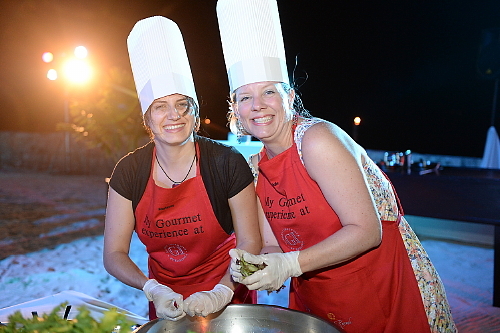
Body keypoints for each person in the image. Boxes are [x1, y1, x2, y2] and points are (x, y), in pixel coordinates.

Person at [216, 0, 456, 332]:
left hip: (382, 284)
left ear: (289, 96)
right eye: (245, 97)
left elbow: (366, 231)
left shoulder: (316, 140)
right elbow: (272, 242)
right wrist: (257, 266)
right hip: (318, 294)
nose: (258, 106)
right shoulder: (256, 168)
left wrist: (289, 264)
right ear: (236, 111)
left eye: (268, 92)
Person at [103, 16, 261, 321]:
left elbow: (251, 242)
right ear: (148, 119)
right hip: (166, 305)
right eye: (160, 106)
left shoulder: (226, 163)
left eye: (182, 104)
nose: (173, 115)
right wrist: (152, 289)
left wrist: (224, 290)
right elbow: (113, 254)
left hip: (230, 296)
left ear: (196, 113)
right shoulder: (129, 172)